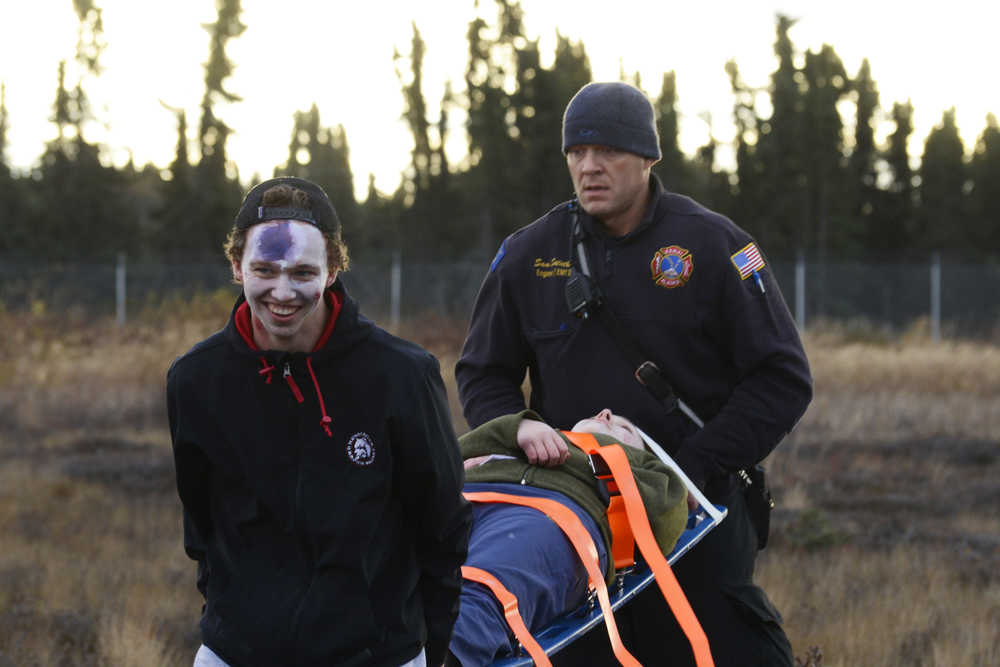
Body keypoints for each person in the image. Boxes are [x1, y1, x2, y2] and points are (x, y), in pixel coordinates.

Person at [456, 82, 813, 666]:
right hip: (577, 518)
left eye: (609, 152)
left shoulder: (715, 245)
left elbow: (782, 377)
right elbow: (481, 370)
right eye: (576, 152)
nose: (589, 167)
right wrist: (516, 430)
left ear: (648, 157)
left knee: (729, 651)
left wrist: (693, 468)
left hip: (695, 511)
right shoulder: (529, 254)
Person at [167, 176, 472, 667]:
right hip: (235, 653)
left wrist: (429, 648)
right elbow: (201, 528)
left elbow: (442, 526)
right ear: (236, 267)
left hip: (376, 654)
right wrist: (233, 622)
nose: (282, 292)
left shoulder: (402, 376)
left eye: (303, 272)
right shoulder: (195, 381)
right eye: (264, 269)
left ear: (333, 269)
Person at [448, 409, 690, 667]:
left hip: (550, 516)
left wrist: (625, 466)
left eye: (624, 428)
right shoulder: (535, 434)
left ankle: (444, 652)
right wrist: (519, 427)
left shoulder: (634, 470)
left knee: (489, 583)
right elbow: (453, 453)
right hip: (471, 493)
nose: (606, 413)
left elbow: (667, 518)